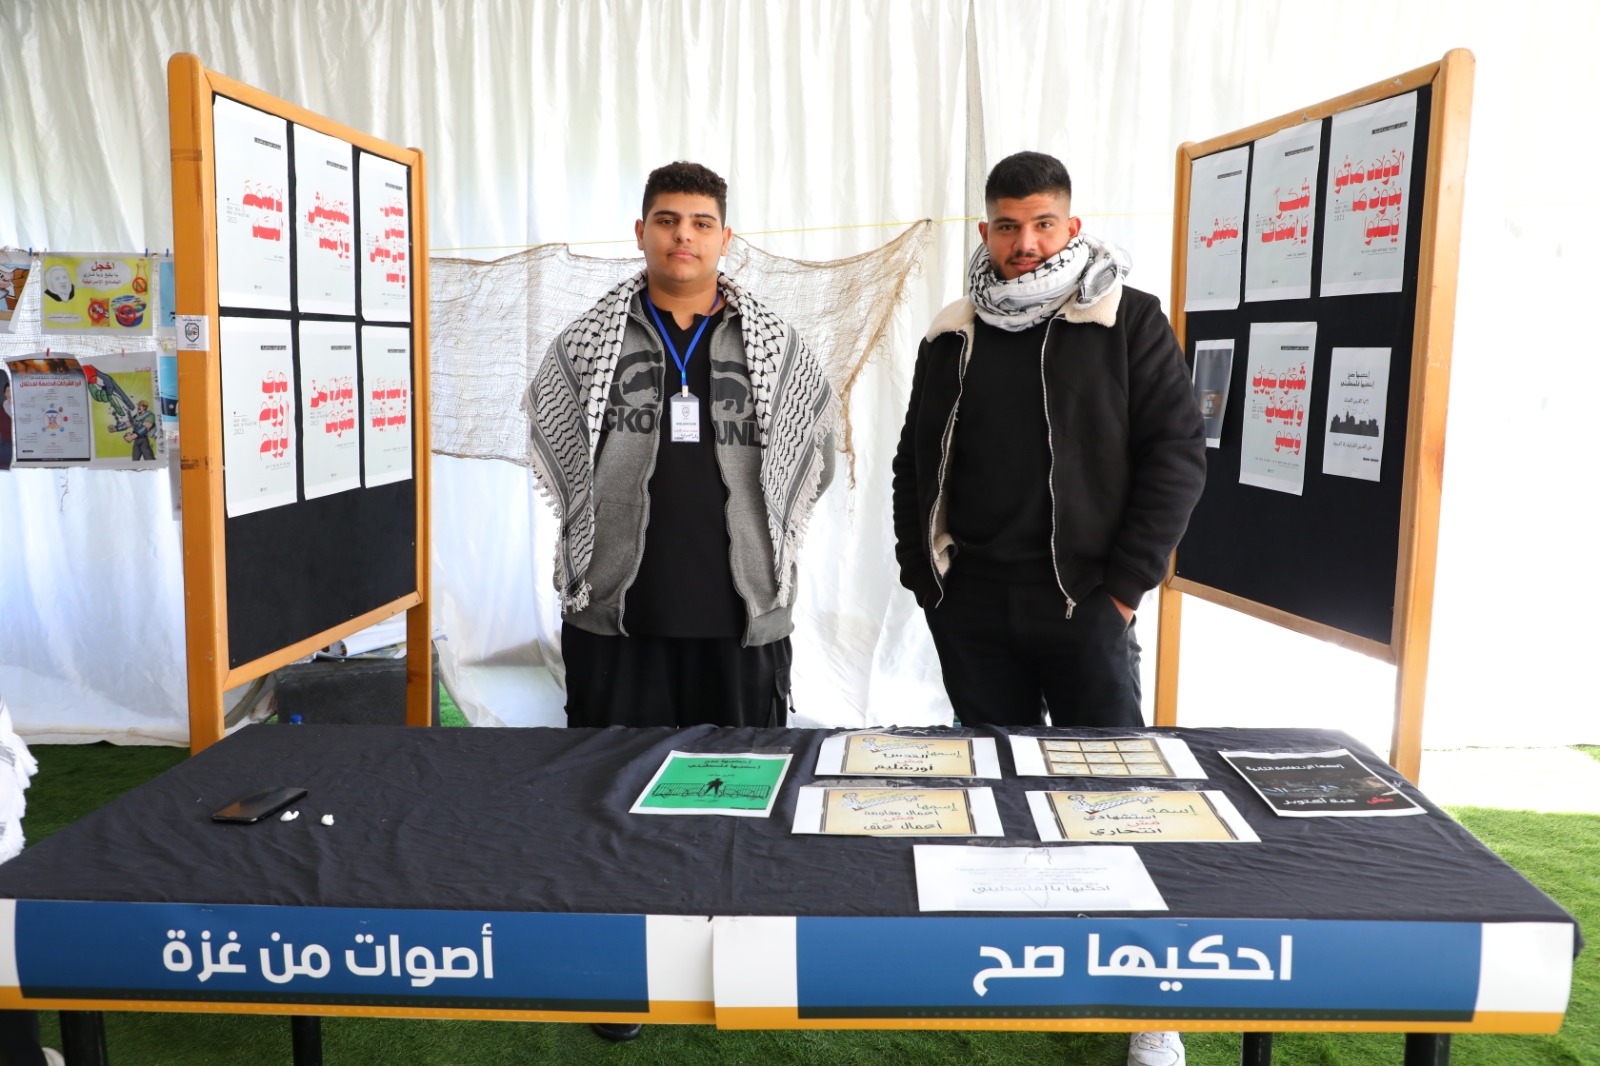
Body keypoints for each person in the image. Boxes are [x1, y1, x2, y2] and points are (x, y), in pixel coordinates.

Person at [892, 151, 1204, 1066]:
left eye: (1041, 224)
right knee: (998, 788)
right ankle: (1025, 963)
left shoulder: (1127, 319)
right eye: (1007, 225)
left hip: (1087, 607)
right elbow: (914, 461)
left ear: (1072, 226)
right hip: (973, 607)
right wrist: (925, 579)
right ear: (985, 230)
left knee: (1116, 796)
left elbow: (1178, 457)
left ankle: (1149, 1003)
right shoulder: (952, 331)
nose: (1024, 243)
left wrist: (1124, 590)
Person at [527, 159, 835, 1042]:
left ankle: (735, 964)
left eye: (701, 222)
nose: (683, 236)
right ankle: (622, 978)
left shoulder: (775, 341)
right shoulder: (590, 340)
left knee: (743, 797)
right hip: (617, 616)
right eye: (667, 220)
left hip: (741, 617)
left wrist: (774, 553)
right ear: (641, 232)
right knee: (609, 799)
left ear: (725, 237)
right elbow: (549, 431)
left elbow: (816, 448)